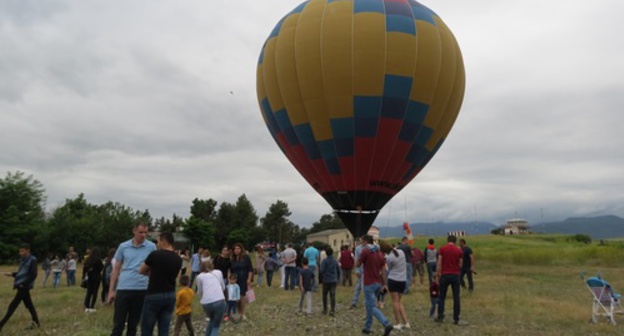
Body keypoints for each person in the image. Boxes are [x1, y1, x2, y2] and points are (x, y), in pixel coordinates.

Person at [107, 222, 157, 336]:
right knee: (118, 324)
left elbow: (153, 267)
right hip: (124, 287)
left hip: (141, 288)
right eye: (140, 232)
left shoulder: (151, 247)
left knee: (133, 325)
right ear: (134, 231)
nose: (143, 235)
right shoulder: (123, 246)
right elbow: (116, 268)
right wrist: (111, 290)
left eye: (145, 232)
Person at [139, 232, 182, 336]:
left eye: (158, 242)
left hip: (154, 294)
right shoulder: (178, 259)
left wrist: (151, 273)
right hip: (170, 294)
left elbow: (141, 270)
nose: (157, 244)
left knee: (147, 328)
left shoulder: (155, 255)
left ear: (164, 242)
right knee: (164, 329)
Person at [356, 235, 393, 336]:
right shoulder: (380, 253)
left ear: (365, 241)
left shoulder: (365, 251)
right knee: (368, 305)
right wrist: (384, 284)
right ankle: (367, 327)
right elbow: (383, 271)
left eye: (361, 241)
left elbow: (357, 264)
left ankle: (386, 324)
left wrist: (358, 256)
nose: (361, 244)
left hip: (369, 283)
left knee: (371, 306)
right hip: (378, 283)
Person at [0, 243, 40, 332]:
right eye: (20, 251)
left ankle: (1, 324)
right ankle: (36, 323)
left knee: (13, 305)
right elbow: (22, 273)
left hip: (24, 286)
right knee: (29, 305)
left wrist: (24, 284)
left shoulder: (33, 260)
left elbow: (33, 274)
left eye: (22, 251)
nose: (20, 253)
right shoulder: (23, 260)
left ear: (28, 250)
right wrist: (12, 274)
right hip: (20, 285)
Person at [435, 235, 466, 326]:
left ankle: (440, 316)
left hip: (444, 275)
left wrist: (437, 274)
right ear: (455, 241)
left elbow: (439, 262)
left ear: (447, 240)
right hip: (455, 275)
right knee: (456, 297)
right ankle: (456, 318)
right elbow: (460, 264)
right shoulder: (459, 250)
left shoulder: (442, 249)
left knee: (442, 296)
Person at [380, 241, 410, 331]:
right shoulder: (401, 252)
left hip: (393, 280)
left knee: (395, 302)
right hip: (402, 280)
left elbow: (389, 268)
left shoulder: (389, 258)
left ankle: (398, 323)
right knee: (399, 301)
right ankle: (406, 322)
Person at [196, 261, 226, 336]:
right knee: (216, 326)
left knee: (212, 320)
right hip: (219, 300)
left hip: (206, 303)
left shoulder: (199, 277)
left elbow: (199, 291)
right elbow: (223, 287)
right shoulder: (218, 272)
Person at [230, 243, 253, 320]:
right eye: (235, 249)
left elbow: (250, 269)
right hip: (234, 279)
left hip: (243, 278)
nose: (236, 250)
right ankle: (238, 312)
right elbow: (231, 270)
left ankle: (242, 313)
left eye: (238, 248)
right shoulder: (232, 259)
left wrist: (249, 279)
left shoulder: (246, 257)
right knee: (236, 297)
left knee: (241, 296)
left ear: (241, 249)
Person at [319, 247, 340, 317]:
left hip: (326, 280)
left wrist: (321, 278)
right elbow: (338, 270)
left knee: (325, 295)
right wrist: (338, 278)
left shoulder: (324, 261)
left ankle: (325, 309)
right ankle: (332, 310)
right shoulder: (335, 261)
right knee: (332, 295)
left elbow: (321, 270)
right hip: (333, 280)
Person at [83, 247, 103, 312]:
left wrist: (83, 277)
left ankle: (86, 304)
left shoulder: (88, 259)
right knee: (95, 292)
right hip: (97, 277)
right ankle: (92, 305)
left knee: (89, 291)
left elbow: (85, 268)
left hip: (90, 277)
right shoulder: (98, 260)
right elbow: (101, 268)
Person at [350, 238, 366, 309]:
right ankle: (354, 302)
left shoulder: (372, 248)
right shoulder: (358, 249)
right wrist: (357, 270)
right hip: (361, 270)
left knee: (365, 288)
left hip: (368, 270)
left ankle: (366, 303)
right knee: (358, 287)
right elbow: (356, 259)